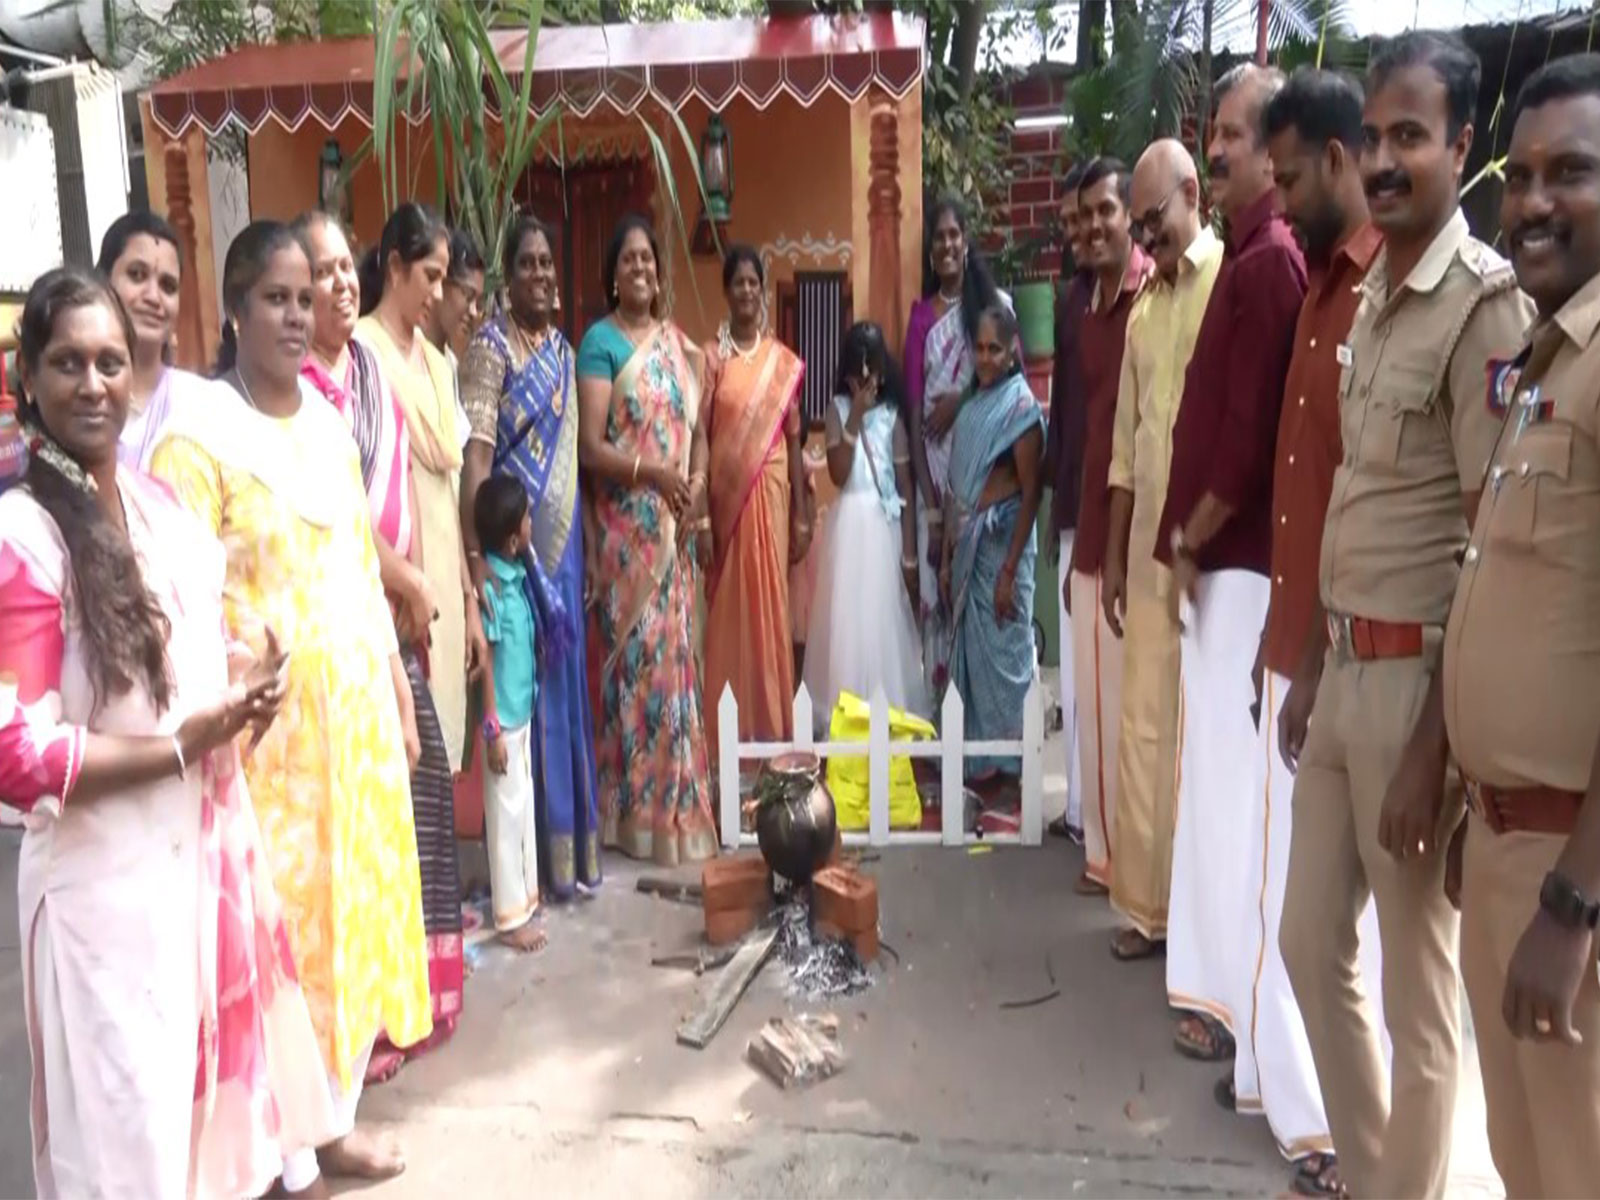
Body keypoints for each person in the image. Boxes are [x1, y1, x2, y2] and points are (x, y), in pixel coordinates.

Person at [0, 266, 334, 1199]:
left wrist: (246, 680)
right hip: (103, 902)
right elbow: (18, 755)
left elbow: (197, 656)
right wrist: (187, 744)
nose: (94, 384)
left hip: (194, 872)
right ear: (28, 378)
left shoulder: (160, 507)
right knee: (128, 1155)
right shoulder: (24, 537)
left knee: (203, 1145)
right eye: (68, 363)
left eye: (110, 362)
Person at [1277, 32, 1535, 1199]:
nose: (1383, 160)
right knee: (1305, 944)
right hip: (1343, 674)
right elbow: (1353, 497)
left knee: (1414, 994)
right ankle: (1384, 1175)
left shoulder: (1483, 309)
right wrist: (1310, 668)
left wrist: (1436, 743)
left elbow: (1490, 543)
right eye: (1373, 137)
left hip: (1412, 693)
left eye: (1410, 138)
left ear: (1461, 145)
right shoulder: (1376, 295)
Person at [151, 220, 434, 1190]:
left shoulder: (325, 426)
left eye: (302, 298)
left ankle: (333, 1122)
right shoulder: (196, 441)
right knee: (276, 942)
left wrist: (397, 693)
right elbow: (172, 603)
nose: (293, 314)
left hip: (353, 737)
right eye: (273, 298)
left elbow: (360, 572)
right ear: (235, 311)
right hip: (263, 752)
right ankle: (275, 1149)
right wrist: (231, 685)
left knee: (349, 930)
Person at [1442, 52, 1600, 1197]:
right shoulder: (1545, 367)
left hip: (1568, 876)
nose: (1534, 200)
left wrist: (1573, 902)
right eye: (1521, 173)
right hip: (1505, 853)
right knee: (1523, 1166)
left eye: (1572, 172)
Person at [1230, 66, 1389, 1197]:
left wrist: (1320, 655)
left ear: (1338, 160)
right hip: (1304, 655)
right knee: (1300, 924)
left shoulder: (1391, 296)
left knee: (1360, 945)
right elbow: (1300, 488)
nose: (1276, 200)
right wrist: (1277, 644)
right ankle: (1319, 1115)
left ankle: (1354, 1143)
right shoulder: (1321, 291)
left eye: (1286, 178)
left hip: (1368, 667)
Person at [1160, 65, 1308, 1070]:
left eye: (1233, 136)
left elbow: (1250, 438)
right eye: (1211, 133)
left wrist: (1190, 535)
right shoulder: (1250, 258)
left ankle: (1237, 1009)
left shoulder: (1268, 265)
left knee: (1234, 801)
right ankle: (1218, 992)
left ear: (1276, 152)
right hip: (1221, 568)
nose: (1217, 150)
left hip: (1243, 570)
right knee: (1210, 790)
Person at [296, 209, 464, 1075]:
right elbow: (342, 510)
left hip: (398, 612)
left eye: (340, 266)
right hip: (345, 615)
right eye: (317, 270)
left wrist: (422, 589)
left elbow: (404, 488)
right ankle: (367, 1016)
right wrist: (402, 581)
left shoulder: (365, 370)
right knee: (364, 817)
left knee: (415, 796)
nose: (335, 282)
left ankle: (414, 995)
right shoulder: (297, 386)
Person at [1103, 140, 1223, 961]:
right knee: (1144, 729)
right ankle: (1148, 911)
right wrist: (1115, 554)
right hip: (1148, 551)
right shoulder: (1144, 311)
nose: (1147, 239)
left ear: (1193, 194)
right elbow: (1125, 445)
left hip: (1217, 557)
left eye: (1155, 219)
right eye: (1141, 226)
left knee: (1205, 738)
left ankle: (1205, 932)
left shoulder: (1230, 284)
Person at [461, 214, 602, 900]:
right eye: (528, 263)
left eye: (548, 263)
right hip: (512, 560)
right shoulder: (491, 350)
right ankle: (527, 872)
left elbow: (572, 463)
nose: (541, 274)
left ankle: (569, 859)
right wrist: (477, 560)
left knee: (563, 693)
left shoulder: (566, 355)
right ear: (507, 276)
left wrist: (589, 545)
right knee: (519, 702)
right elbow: (477, 458)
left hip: (562, 554)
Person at [576, 214, 716, 865]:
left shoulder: (678, 346)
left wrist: (695, 484)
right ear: (613, 275)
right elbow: (591, 447)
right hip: (626, 536)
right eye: (628, 259)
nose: (639, 268)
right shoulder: (599, 343)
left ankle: (678, 813)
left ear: (659, 274)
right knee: (635, 675)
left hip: (673, 531)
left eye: (647, 259)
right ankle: (631, 817)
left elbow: (700, 433)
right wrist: (654, 475)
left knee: (675, 673)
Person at [358, 203, 488, 777]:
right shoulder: (361, 351)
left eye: (443, 278)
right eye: (431, 276)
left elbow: (451, 484)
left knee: (439, 764)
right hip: (393, 579)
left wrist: (468, 598)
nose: (439, 293)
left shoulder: (440, 364)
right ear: (395, 267)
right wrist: (405, 578)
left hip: (442, 581)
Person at [1066, 156, 1151, 897]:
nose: (1094, 226)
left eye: (1106, 211)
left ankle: (1139, 866)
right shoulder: (1087, 305)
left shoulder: (1152, 297)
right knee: (1094, 705)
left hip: (1143, 536)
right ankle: (1104, 855)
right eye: (1084, 215)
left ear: (1131, 218)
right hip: (1093, 530)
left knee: (1136, 711)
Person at [699, 245, 808, 763]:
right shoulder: (711, 359)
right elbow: (701, 435)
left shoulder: (780, 362)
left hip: (773, 496)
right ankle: (727, 747)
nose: (746, 290)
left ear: (763, 290)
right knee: (729, 616)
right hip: (727, 507)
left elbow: (793, 438)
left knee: (771, 614)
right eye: (738, 282)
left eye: (753, 282)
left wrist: (802, 511)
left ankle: (773, 740)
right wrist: (702, 514)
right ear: (726, 291)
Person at [904, 197, 1006, 704]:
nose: (946, 244)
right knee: (939, 608)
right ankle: (941, 723)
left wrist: (960, 400)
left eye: (953, 235)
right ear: (930, 251)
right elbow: (914, 414)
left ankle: (985, 725)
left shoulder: (991, 308)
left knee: (981, 601)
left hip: (985, 482)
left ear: (966, 242)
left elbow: (1009, 382)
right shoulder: (922, 319)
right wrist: (930, 510)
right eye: (938, 237)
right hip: (937, 483)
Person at [804, 321, 928, 728]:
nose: (865, 374)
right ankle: (848, 720)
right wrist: (855, 416)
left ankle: (886, 720)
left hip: (882, 531)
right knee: (849, 626)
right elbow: (839, 474)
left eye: (871, 364)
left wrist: (909, 555)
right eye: (858, 364)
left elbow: (905, 486)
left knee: (881, 624)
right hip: (849, 530)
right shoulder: (836, 410)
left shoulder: (892, 417)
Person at [942, 304, 1045, 791]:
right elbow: (957, 493)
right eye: (979, 348)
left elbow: (1031, 492)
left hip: (1003, 556)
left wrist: (1007, 573)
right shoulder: (971, 407)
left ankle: (1012, 776)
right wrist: (947, 559)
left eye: (995, 349)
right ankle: (982, 773)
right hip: (968, 555)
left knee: (1006, 663)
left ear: (1011, 352)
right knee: (972, 670)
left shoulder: (1020, 409)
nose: (985, 358)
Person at [474, 474, 550, 953]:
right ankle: (510, 919)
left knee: (521, 812)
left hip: (521, 714)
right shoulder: (494, 592)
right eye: (526, 519)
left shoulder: (515, 576)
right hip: (502, 723)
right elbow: (486, 660)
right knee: (505, 818)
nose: (531, 523)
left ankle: (524, 901)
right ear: (511, 539)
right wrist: (492, 729)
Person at [1044, 161, 1092, 842]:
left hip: (1112, 513)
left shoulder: (1134, 294)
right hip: (1075, 504)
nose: (1080, 231)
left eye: (1088, 216)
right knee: (1078, 677)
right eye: (1071, 222)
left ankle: (1096, 821)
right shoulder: (1074, 301)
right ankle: (1081, 811)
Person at [96, 210, 207, 470]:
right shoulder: (82, 397)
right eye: (136, 275)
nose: (153, 298)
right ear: (103, 282)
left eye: (168, 286)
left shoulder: (201, 404)